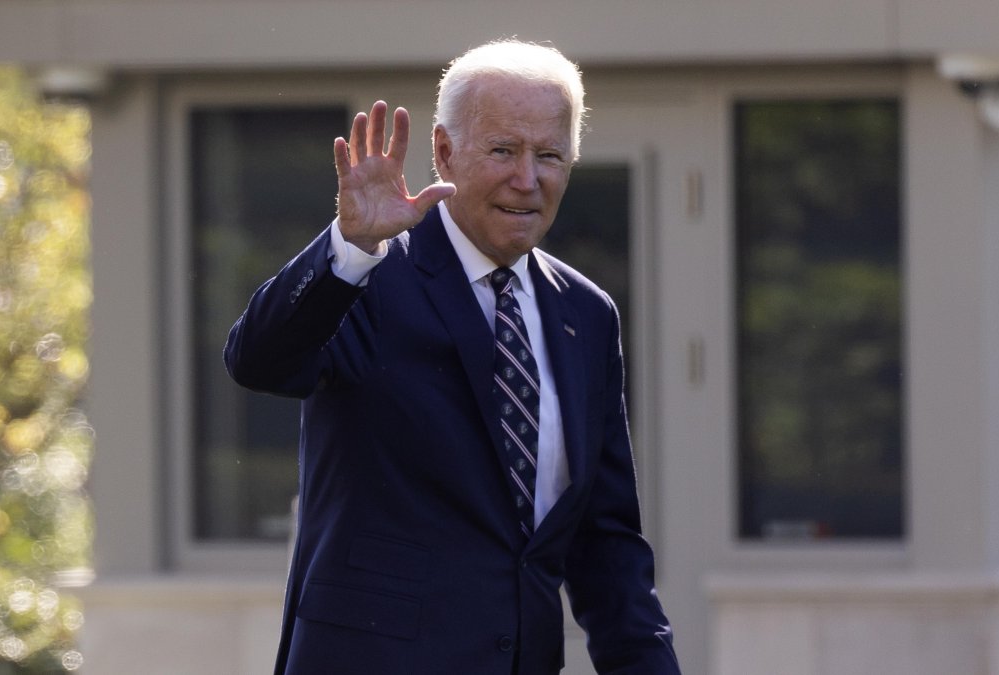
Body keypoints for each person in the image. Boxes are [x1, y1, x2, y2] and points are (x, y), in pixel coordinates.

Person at [225, 39, 680, 675]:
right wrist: (349, 249)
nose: (527, 179)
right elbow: (260, 362)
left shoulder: (586, 313)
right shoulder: (371, 275)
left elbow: (606, 548)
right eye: (503, 150)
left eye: (549, 155)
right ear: (444, 152)